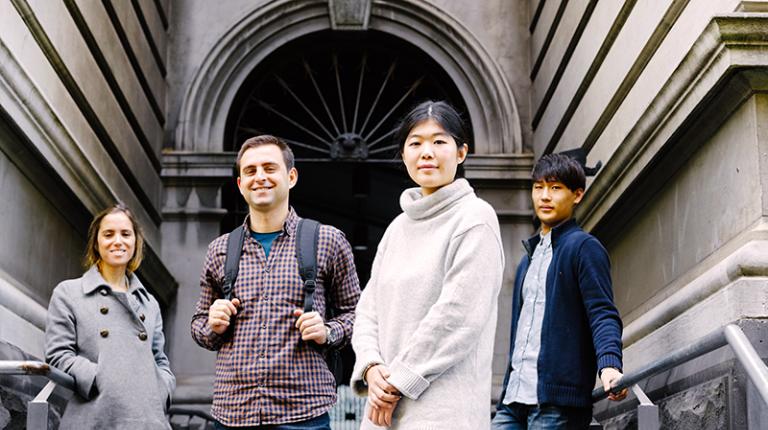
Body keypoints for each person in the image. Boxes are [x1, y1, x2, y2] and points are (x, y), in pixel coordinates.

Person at [350, 100, 505, 429]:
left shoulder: (475, 218)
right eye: (415, 143)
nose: (427, 152)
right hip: (383, 411)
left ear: (461, 153)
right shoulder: (397, 229)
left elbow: (458, 316)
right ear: (404, 154)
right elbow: (367, 311)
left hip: (443, 412)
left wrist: (397, 381)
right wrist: (371, 367)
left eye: (439, 141)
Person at [191, 135, 361, 429]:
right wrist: (212, 324)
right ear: (240, 184)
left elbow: (359, 315)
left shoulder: (327, 240)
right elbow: (198, 325)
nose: (260, 177)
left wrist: (327, 331)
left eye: (270, 168)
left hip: (303, 414)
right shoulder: (220, 250)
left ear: (291, 177)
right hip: (233, 414)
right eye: (251, 171)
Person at [492, 153, 626, 429]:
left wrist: (610, 365)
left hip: (557, 405)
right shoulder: (527, 260)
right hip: (512, 400)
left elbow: (602, 313)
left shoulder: (583, 248)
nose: (544, 196)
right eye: (538, 187)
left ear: (577, 195)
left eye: (555, 188)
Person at [45, 204, 175, 430]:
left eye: (126, 234)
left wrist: (162, 389)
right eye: (108, 234)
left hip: (148, 418)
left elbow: (159, 359)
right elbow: (58, 354)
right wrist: (99, 380)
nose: (118, 241)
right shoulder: (69, 293)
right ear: (96, 242)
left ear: (136, 242)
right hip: (96, 415)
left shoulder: (149, 303)